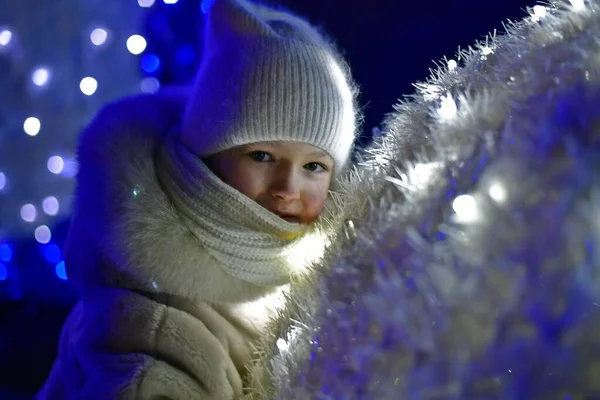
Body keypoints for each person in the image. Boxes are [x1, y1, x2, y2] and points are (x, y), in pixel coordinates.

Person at [37, 0, 359, 398]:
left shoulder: (329, 270)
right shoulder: (153, 323)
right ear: (209, 153)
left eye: (314, 166)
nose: (288, 189)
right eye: (261, 156)